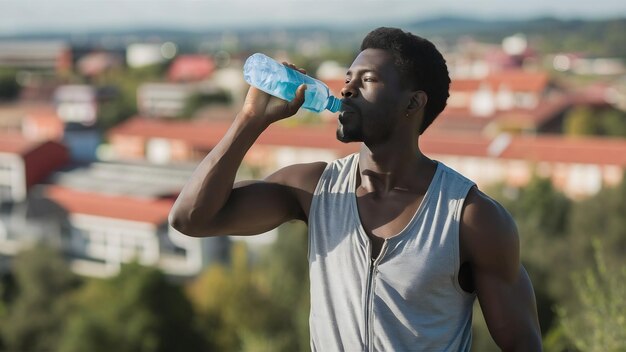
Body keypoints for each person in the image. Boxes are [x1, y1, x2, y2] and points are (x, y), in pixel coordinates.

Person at [169, 27, 542, 351]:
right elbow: (191, 219)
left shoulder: (471, 217)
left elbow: (522, 343)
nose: (347, 89)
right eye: (349, 77)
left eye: (368, 80)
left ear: (413, 102)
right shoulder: (313, 189)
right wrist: (249, 120)